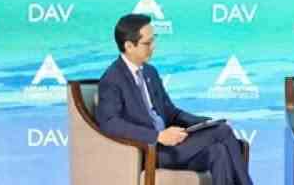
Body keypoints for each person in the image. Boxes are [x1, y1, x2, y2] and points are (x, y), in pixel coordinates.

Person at [97, 13, 253, 185]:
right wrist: (158, 136)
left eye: (154, 40)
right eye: (147, 43)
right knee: (223, 131)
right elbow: (110, 123)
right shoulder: (112, 79)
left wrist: (205, 123)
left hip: (171, 144)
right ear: (129, 46)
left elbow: (171, 113)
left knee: (218, 151)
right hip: (150, 150)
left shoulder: (150, 72)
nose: (153, 47)